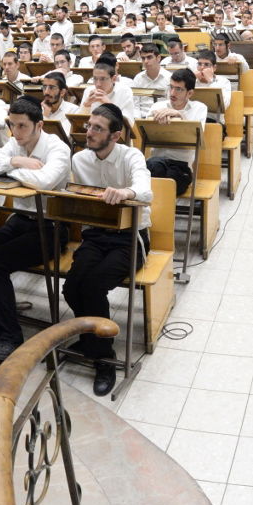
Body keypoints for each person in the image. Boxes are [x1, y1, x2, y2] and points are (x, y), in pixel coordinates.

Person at [0, 97, 71, 362]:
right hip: (21, 220)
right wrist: (17, 163)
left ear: (39, 125)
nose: (16, 132)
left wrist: (7, 168)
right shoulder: (15, 144)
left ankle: (11, 337)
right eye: (12, 125)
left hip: (51, 228)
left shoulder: (58, 148)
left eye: (22, 126)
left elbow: (44, 182)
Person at [61, 104, 152, 396]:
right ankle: (91, 340)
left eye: (97, 128)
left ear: (116, 135)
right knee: (72, 288)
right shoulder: (80, 159)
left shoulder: (131, 155)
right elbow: (67, 189)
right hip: (97, 235)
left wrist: (126, 192)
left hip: (130, 236)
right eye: (89, 126)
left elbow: (146, 190)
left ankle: (104, 358)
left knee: (94, 285)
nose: (89, 132)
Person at [142, 69, 208, 194]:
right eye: (171, 87)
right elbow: (145, 133)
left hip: (181, 165)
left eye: (178, 89)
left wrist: (179, 115)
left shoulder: (200, 108)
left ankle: (158, 210)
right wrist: (152, 118)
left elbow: (197, 137)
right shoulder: (157, 107)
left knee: (170, 178)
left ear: (189, 93)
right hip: (157, 161)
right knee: (153, 168)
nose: (172, 93)